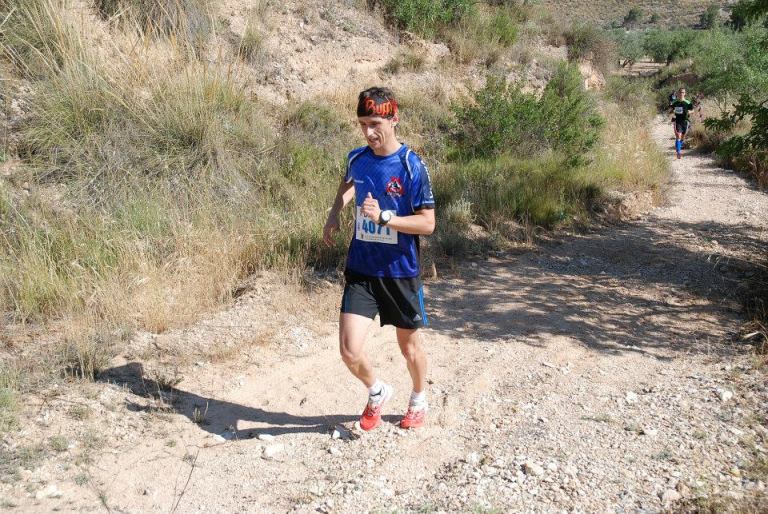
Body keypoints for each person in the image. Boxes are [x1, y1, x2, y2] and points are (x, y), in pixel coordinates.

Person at [322, 87, 436, 430]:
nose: (368, 132)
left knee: (409, 347)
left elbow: (427, 224)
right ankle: (377, 392)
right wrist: (334, 213)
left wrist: (386, 217)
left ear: (393, 119)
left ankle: (418, 398)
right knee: (349, 349)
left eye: (375, 123)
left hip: (400, 270)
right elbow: (348, 184)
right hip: (362, 267)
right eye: (362, 124)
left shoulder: (411, 166)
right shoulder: (357, 158)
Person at [669, 87, 695, 159]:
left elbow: (693, 110)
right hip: (677, 121)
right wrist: (672, 113)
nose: (681, 94)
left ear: (685, 93)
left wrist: (690, 112)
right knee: (678, 136)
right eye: (680, 92)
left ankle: (678, 146)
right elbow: (670, 111)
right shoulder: (675, 102)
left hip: (685, 121)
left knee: (682, 137)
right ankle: (678, 152)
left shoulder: (688, 102)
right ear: (678, 93)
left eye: (683, 92)